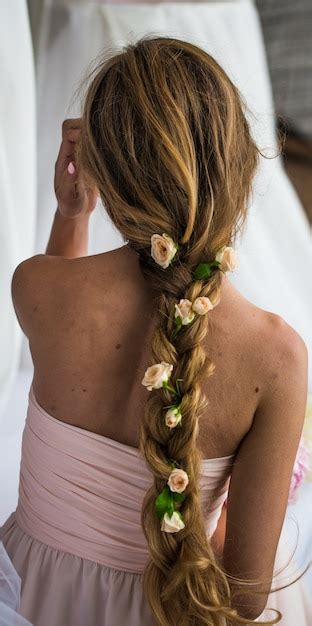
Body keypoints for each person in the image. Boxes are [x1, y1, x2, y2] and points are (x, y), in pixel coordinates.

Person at [0, 36, 310, 626]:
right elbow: (243, 597)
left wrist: (72, 216)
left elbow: (63, 314)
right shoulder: (278, 360)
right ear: (240, 163)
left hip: (31, 597)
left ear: (102, 173)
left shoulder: (37, 289)